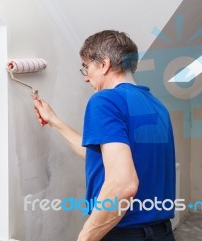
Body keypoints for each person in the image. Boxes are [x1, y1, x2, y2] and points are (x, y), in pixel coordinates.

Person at [33, 30, 176, 241]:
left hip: (123, 233)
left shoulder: (105, 100)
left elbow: (123, 184)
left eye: (86, 67)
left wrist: (85, 238)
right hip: (162, 233)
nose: (86, 77)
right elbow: (105, 157)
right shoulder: (158, 106)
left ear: (104, 64)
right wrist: (55, 122)